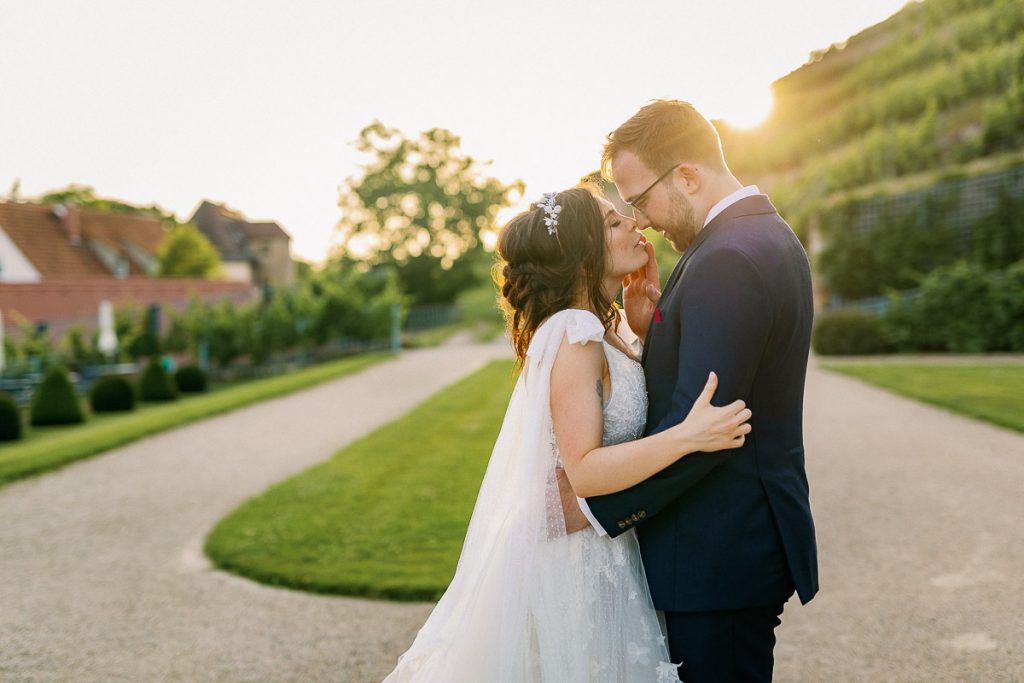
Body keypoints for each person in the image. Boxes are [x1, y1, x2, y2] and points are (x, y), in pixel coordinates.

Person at [381, 186, 752, 682]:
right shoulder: (576, 331)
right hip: (572, 560)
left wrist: (645, 328)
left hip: (602, 544)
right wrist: (688, 437)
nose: (633, 225)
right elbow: (585, 472)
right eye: (614, 223)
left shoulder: (603, 324)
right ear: (583, 258)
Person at [562, 99, 819, 682]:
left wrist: (596, 507)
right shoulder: (752, 239)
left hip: (717, 554)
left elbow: (703, 427)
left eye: (639, 200)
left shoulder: (727, 257)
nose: (642, 221)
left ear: (687, 175)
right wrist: (648, 326)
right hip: (724, 549)